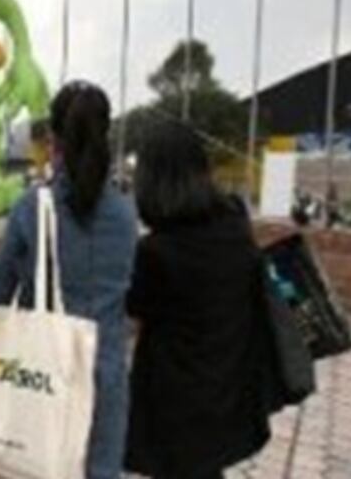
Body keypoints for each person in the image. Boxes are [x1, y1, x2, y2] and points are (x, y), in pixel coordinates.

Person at [0, 80, 137, 479]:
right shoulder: (125, 216)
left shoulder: (31, 207)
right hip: (107, 377)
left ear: (54, 139)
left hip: (44, 372)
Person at [125, 121, 273, 479]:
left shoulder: (157, 251)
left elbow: (135, 307)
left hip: (174, 399)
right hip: (228, 384)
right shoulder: (236, 225)